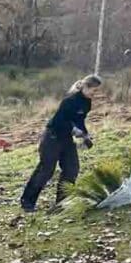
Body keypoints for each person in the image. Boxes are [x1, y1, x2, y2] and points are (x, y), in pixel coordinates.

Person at [20, 75, 102, 212]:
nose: (95, 94)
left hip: (66, 139)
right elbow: (59, 121)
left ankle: (62, 202)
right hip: (52, 137)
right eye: (94, 91)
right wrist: (73, 129)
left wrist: (85, 135)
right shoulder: (69, 101)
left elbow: (79, 120)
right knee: (46, 170)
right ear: (85, 87)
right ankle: (27, 202)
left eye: (97, 91)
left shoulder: (87, 102)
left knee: (72, 169)